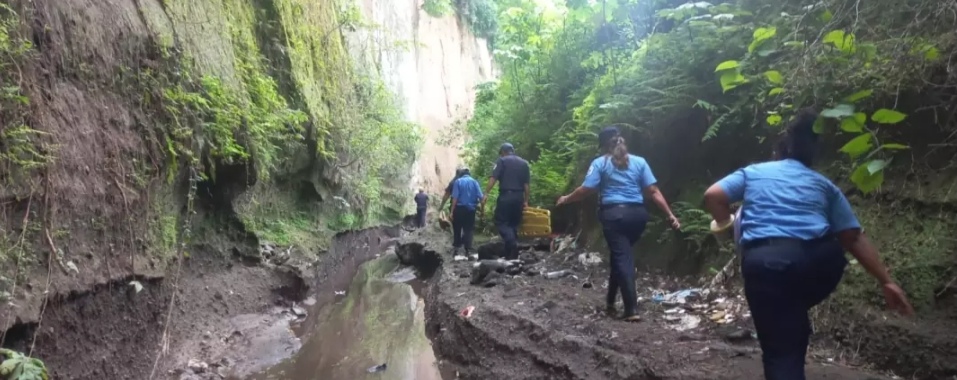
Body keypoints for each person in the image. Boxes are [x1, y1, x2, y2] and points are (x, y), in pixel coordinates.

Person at [702, 109, 913, 380]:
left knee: (780, 350)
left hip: (765, 264)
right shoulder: (823, 185)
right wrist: (886, 281)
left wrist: (726, 221)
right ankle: (793, 319)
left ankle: (788, 326)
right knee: (791, 319)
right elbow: (853, 237)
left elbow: (713, 194)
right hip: (818, 262)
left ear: (778, 153)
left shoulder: (754, 173)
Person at [556, 126, 680, 321]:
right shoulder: (640, 162)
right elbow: (653, 191)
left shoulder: (600, 163)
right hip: (638, 216)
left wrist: (566, 199)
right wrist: (670, 215)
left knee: (623, 258)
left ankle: (631, 309)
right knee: (620, 256)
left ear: (604, 146)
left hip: (615, 216)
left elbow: (586, 189)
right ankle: (611, 301)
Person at [481, 143, 531, 260]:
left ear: (503, 152)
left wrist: (486, 193)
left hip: (506, 196)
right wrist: (526, 201)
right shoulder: (524, 163)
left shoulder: (502, 161)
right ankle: (511, 256)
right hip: (519, 197)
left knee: (501, 222)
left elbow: (493, 178)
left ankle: (513, 245)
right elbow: (526, 185)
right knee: (513, 224)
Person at [450, 167, 483, 256]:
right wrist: (482, 210)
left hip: (459, 209)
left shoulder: (458, 181)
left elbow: (455, 198)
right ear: (469, 174)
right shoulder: (475, 182)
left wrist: (452, 211)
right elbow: (481, 197)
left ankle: (456, 249)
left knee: (457, 228)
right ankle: (467, 249)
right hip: (471, 210)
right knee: (468, 229)